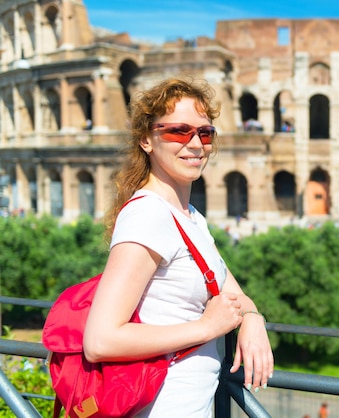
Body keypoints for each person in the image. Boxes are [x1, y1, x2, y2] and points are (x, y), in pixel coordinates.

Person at [83, 76, 274, 417]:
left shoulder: (190, 218)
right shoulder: (147, 214)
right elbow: (100, 341)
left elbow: (234, 295)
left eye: (205, 133)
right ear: (146, 139)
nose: (196, 143)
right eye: (178, 131)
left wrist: (254, 319)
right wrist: (206, 328)